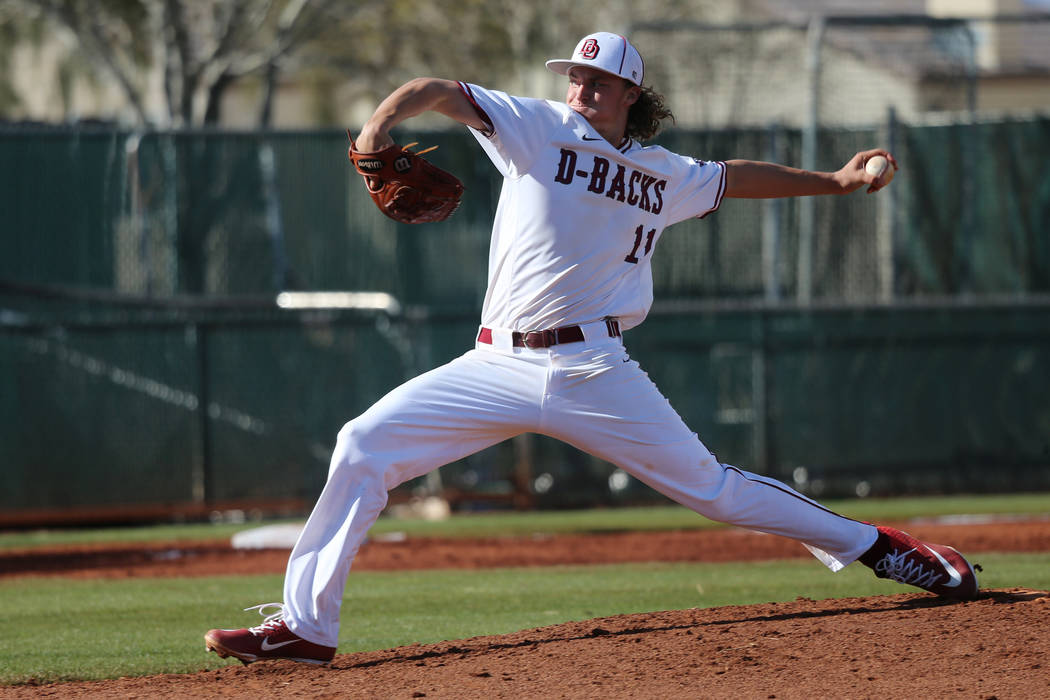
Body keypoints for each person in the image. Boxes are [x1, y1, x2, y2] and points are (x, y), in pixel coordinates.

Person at [205, 32, 979, 666]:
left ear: (631, 95)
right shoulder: (536, 127)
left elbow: (734, 176)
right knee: (363, 444)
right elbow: (438, 90)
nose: (581, 88)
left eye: (599, 81)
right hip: (496, 364)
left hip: (595, 369)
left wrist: (836, 183)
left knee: (713, 490)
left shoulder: (662, 172)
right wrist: (378, 128)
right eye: (577, 76)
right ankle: (307, 630)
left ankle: (883, 549)